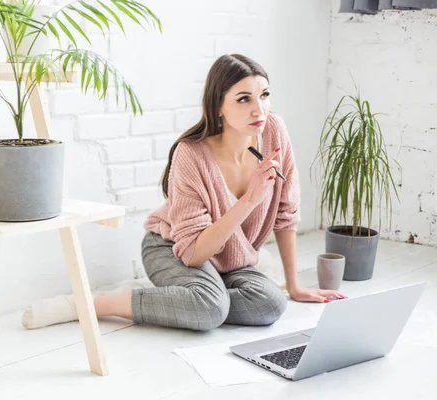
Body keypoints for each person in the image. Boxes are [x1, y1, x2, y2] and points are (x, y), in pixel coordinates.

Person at [22, 54, 346, 331]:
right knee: (209, 308)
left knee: (271, 304)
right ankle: (92, 304)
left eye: (264, 95)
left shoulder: (274, 130)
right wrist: (250, 199)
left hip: (232, 255)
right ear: (218, 105)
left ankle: (185, 300)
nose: (258, 110)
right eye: (243, 98)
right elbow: (192, 254)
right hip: (172, 246)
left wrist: (295, 285)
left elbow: (287, 211)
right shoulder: (191, 154)